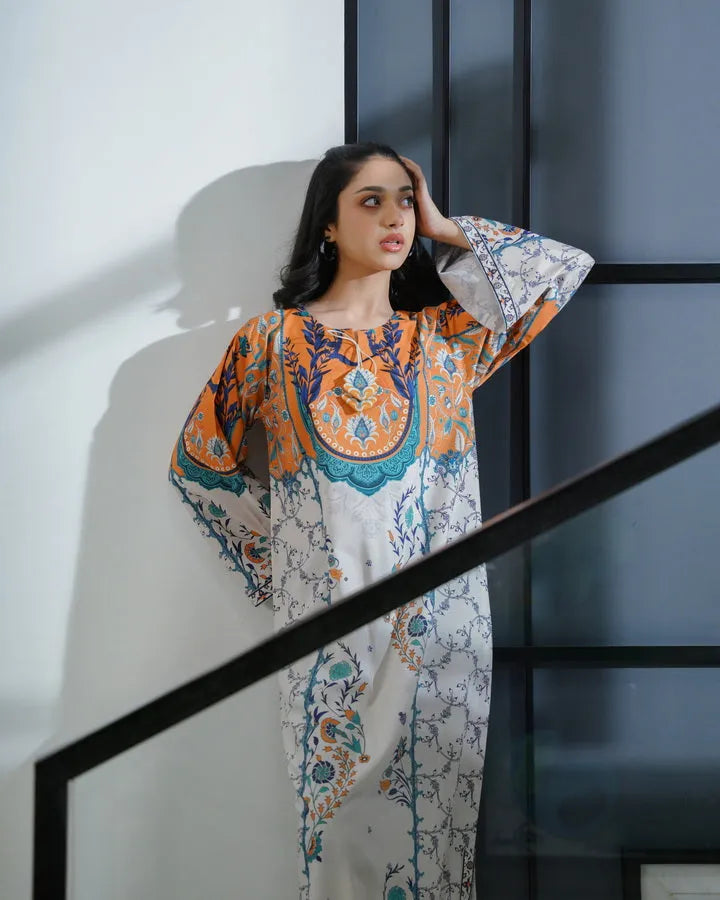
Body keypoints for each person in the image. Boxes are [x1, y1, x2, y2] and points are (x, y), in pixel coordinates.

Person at [169, 142, 594, 899]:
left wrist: (443, 225)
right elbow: (200, 466)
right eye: (372, 201)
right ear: (327, 225)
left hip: (439, 627)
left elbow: (561, 267)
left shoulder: (445, 339)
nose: (395, 216)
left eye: (405, 198)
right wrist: (287, 570)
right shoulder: (269, 344)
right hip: (328, 631)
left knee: (436, 840)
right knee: (333, 838)